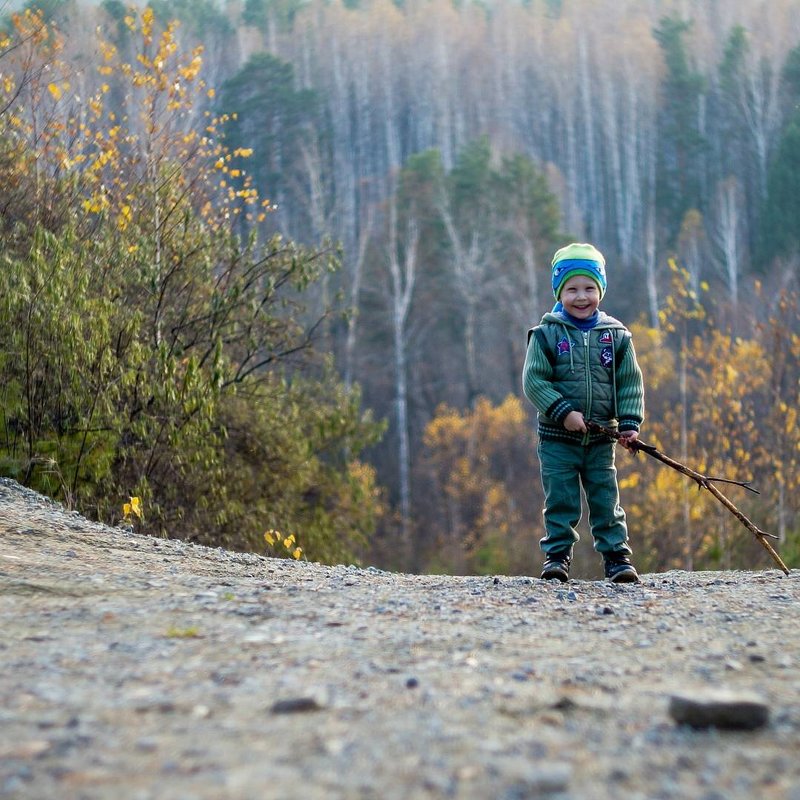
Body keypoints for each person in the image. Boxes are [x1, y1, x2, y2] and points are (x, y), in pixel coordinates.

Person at [522, 242, 645, 583]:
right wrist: (562, 412)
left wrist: (629, 424)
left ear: (600, 290)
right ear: (559, 291)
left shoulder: (615, 336)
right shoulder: (546, 334)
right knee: (561, 500)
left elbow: (629, 383)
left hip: (601, 437)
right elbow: (534, 381)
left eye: (589, 288)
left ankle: (617, 558)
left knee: (606, 499)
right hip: (558, 439)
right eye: (572, 289)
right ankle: (557, 557)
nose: (581, 296)